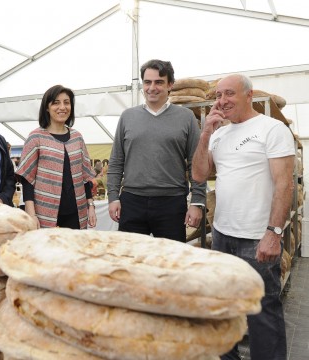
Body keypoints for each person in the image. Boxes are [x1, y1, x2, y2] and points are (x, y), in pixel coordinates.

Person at [192, 74, 294, 360]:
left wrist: (274, 233)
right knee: (224, 309)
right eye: (219, 95)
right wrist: (205, 135)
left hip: (257, 236)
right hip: (223, 235)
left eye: (230, 94)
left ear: (249, 95)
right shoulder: (220, 132)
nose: (222, 101)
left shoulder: (271, 129)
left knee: (262, 312)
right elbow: (200, 174)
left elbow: (284, 183)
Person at [107, 59, 206, 242]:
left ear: (170, 85)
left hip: (171, 204)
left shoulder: (186, 117)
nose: (152, 87)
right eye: (147, 82)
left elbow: (197, 163)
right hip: (132, 201)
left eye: (159, 82)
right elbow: (116, 161)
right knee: (131, 259)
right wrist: (113, 197)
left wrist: (197, 202)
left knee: (170, 261)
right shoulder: (128, 117)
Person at [16, 85, 96, 229]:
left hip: (76, 213)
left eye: (67, 102)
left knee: (75, 250)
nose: (62, 107)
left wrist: (90, 205)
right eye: (56, 102)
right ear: (47, 107)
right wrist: (31, 214)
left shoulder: (77, 137)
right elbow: (27, 179)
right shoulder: (36, 137)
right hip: (45, 214)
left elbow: (85, 177)